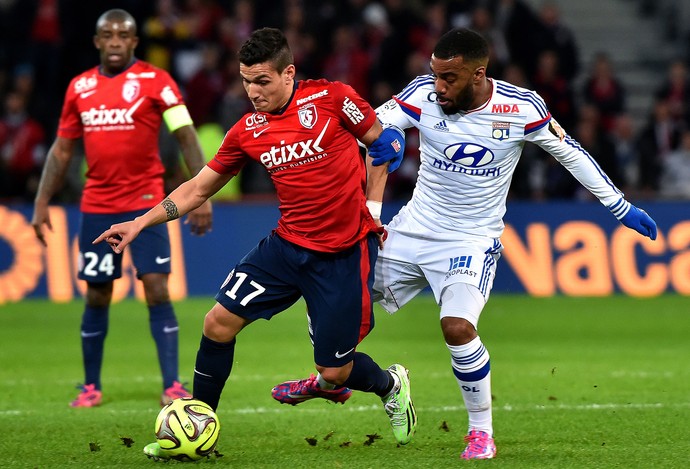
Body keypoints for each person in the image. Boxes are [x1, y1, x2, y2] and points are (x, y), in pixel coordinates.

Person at [92, 27, 416, 460]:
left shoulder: (333, 99)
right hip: (285, 248)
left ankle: (390, 385)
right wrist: (140, 221)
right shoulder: (248, 130)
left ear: (289, 73)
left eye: (262, 81)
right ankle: (196, 430)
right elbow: (197, 189)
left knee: (334, 371)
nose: (252, 91)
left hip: (341, 254)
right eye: (246, 81)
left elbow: (387, 143)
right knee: (216, 324)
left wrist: (373, 209)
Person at [366, 28, 657, 460]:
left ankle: (481, 432)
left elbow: (570, 152)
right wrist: (382, 132)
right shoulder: (423, 93)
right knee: (344, 304)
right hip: (411, 228)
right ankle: (341, 379)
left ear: (478, 73)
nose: (439, 86)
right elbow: (368, 121)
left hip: (471, 239)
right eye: (435, 75)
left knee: (458, 328)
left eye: (449, 78)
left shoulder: (520, 107)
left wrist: (618, 206)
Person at [31, 9, 213, 408]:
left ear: (134, 41)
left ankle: (172, 385)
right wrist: (43, 201)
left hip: (147, 204)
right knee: (97, 295)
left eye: (123, 34)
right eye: (107, 35)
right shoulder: (79, 88)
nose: (115, 41)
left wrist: (202, 193)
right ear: (97, 41)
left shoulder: (158, 82)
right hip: (97, 205)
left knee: (156, 287)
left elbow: (185, 135)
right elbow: (62, 151)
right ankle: (91, 386)